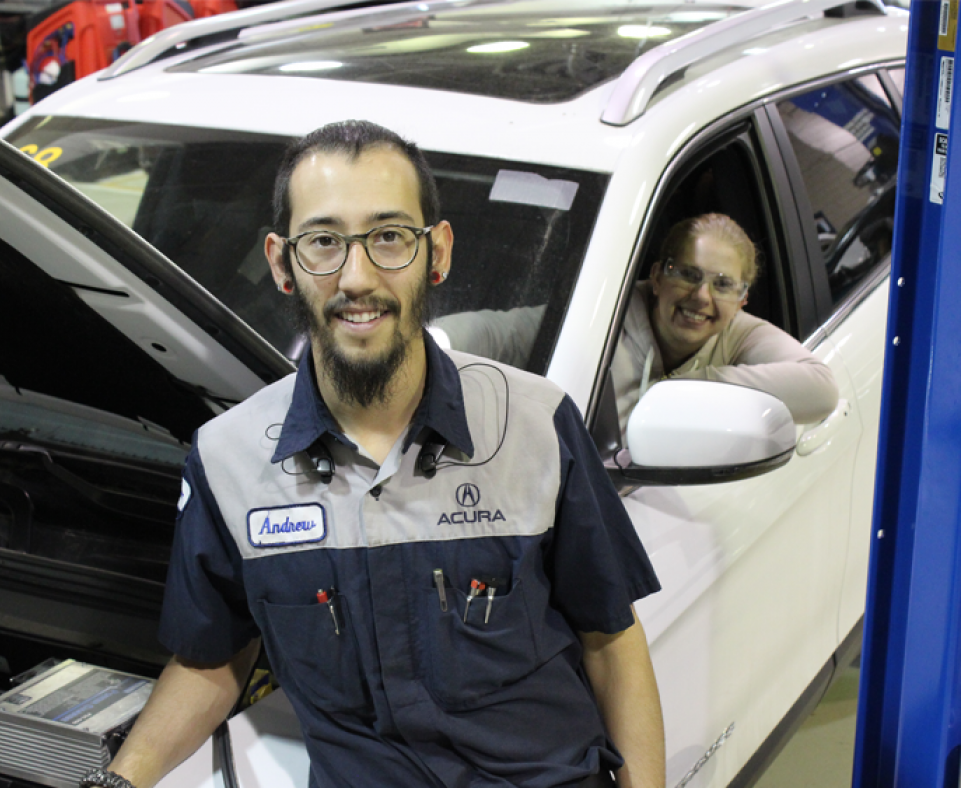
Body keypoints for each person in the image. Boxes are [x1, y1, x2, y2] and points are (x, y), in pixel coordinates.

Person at [81, 120, 665, 788]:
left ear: (436, 252)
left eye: (389, 237)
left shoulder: (538, 424)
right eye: (324, 241)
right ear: (281, 262)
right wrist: (121, 780)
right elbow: (212, 660)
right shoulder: (229, 460)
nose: (356, 277)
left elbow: (611, 640)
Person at [612, 214, 839, 434]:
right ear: (657, 277)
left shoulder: (740, 334)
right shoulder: (608, 322)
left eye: (722, 284)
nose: (702, 296)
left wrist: (684, 389)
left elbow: (822, 389)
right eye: (689, 275)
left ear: (741, 301)